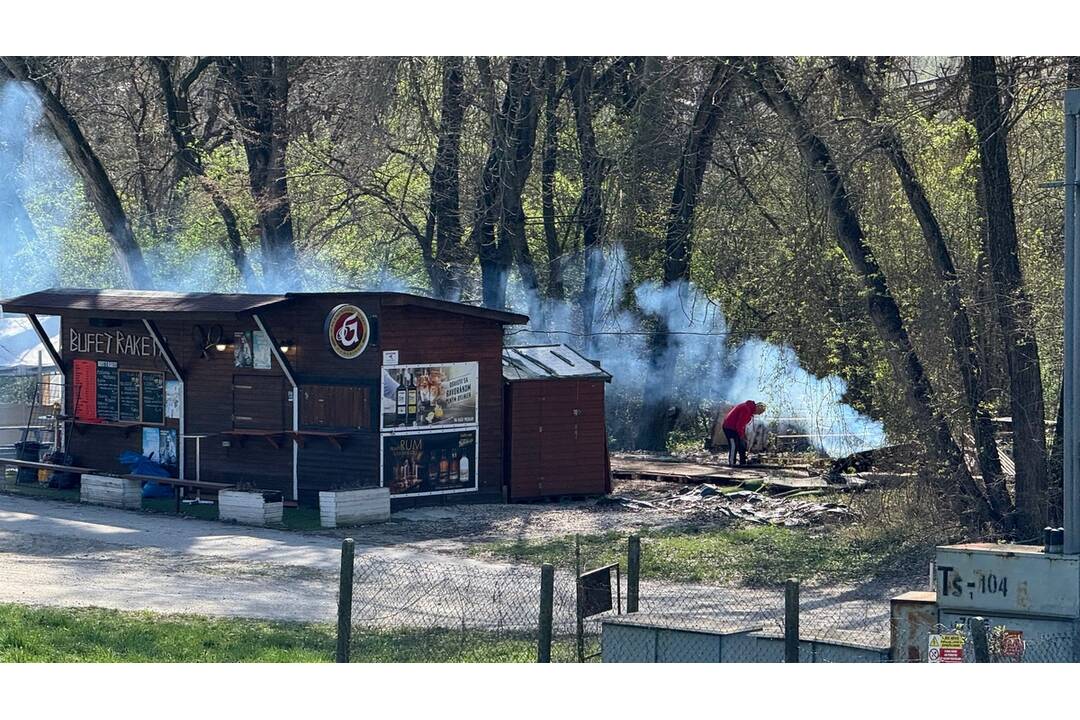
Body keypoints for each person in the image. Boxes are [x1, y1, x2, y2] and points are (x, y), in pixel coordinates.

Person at [721, 400, 767, 467]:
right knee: (734, 445)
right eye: (760, 412)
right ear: (757, 407)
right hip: (729, 427)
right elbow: (739, 425)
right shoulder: (746, 409)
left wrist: (743, 435)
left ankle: (742, 462)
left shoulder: (749, 410)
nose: (759, 414)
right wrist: (741, 436)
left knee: (741, 445)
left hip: (735, 428)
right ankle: (732, 463)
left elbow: (743, 425)